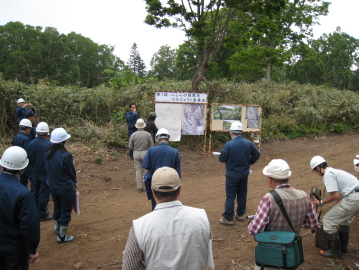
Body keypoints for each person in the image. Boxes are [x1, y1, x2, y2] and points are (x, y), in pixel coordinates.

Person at [122, 167, 214, 270]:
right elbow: (205, 255)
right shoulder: (202, 218)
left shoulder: (140, 227)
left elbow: (129, 267)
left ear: (152, 191)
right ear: (180, 189)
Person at [247, 159, 318, 269]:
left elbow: (253, 230)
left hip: (270, 253)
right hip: (291, 252)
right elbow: (312, 224)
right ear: (287, 177)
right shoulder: (304, 196)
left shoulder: (269, 198)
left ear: (270, 179)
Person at [310, 156, 359, 258]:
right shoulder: (334, 171)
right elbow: (339, 195)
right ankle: (343, 247)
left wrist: (321, 202)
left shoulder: (328, 175)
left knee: (328, 221)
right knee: (342, 220)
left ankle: (335, 251)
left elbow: (336, 195)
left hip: (352, 198)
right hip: (354, 196)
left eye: (315, 171)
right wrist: (334, 208)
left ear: (318, 168)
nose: (316, 173)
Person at [0, 146, 40, 269]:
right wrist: (32, 249)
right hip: (14, 248)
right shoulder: (23, 194)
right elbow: (29, 224)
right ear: (23, 168)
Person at [219, 121, 260, 226]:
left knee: (230, 196)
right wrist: (248, 163)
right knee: (242, 193)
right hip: (244, 173)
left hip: (232, 174)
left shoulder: (229, 144)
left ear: (231, 131)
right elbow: (257, 154)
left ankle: (228, 217)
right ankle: (240, 214)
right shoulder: (248, 143)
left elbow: (222, 158)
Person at [44, 128, 77, 243]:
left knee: (57, 207)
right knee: (66, 211)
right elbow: (71, 172)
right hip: (65, 187)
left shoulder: (47, 153)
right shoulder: (66, 155)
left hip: (53, 186)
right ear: (64, 141)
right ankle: (62, 236)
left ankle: (57, 227)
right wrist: (74, 178)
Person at [142, 128, 181, 210]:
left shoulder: (151, 150)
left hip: (156, 182)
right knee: (171, 203)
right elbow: (178, 173)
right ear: (168, 138)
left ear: (157, 139)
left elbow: (145, 165)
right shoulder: (175, 152)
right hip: (171, 182)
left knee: (155, 204)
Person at [28, 122, 53, 221]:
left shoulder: (31, 143)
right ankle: (42, 213)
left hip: (35, 171)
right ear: (47, 133)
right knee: (44, 192)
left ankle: (33, 211)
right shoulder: (49, 145)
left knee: (35, 191)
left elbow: (29, 157)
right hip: (45, 173)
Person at [129, 119, 154, 193]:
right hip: (145, 153)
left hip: (136, 153)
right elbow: (152, 145)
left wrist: (135, 148)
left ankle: (139, 187)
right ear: (143, 126)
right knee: (146, 170)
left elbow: (130, 146)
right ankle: (147, 186)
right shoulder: (148, 134)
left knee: (138, 170)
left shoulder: (133, 135)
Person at [11, 118, 33, 187]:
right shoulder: (26, 139)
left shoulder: (16, 137)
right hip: (25, 163)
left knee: (22, 180)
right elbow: (28, 152)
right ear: (28, 129)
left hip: (16, 162)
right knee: (33, 180)